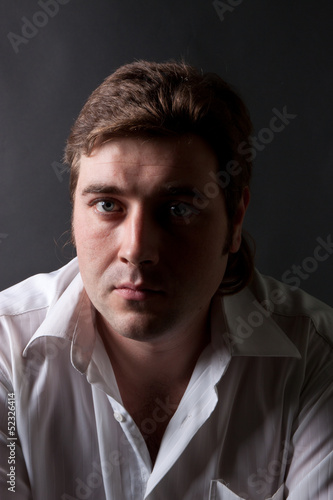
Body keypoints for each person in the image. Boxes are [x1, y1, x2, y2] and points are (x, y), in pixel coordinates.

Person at [0, 60, 332, 500]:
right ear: (75, 212)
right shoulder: (6, 349)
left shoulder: (316, 355)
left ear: (235, 220)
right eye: (107, 205)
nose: (137, 249)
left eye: (178, 209)